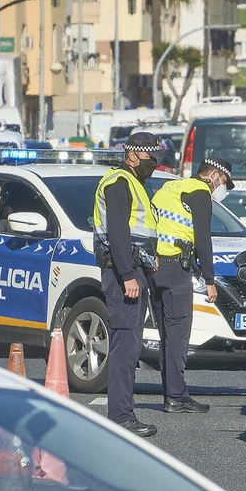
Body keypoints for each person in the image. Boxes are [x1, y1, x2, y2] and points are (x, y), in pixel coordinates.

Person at [90, 131, 163, 437]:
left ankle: (124, 413)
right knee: (124, 346)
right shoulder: (119, 183)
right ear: (132, 155)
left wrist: (148, 261)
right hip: (123, 275)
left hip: (133, 271)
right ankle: (120, 416)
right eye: (149, 159)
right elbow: (119, 233)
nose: (153, 165)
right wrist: (128, 274)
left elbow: (138, 232)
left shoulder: (134, 183)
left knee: (130, 346)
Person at [149, 156, 230, 414]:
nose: (223, 189)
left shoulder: (171, 187)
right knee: (178, 337)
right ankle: (176, 397)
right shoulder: (199, 192)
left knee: (166, 337)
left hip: (154, 267)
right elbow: (203, 239)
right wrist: (209, 280)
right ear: (215, 175)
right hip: (175, 272)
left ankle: (170, 393)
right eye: (224, 182)